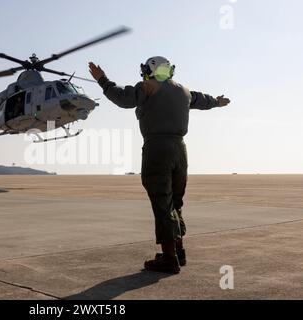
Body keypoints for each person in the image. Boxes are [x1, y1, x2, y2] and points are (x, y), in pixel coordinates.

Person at [89, 57, 230, 274]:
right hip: (180, 151)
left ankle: (169, 259)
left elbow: (122, 99)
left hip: (158, 149)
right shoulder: (184, 91)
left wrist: (102, 80)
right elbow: (204, 100)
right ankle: (179, 251)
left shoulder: (148, 86)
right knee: (175, 202)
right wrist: (218, 102)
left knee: (162, 204)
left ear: (150, 70)